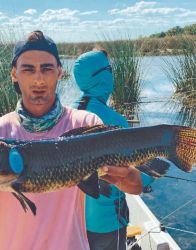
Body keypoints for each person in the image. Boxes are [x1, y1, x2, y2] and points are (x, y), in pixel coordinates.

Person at [0, 31, 143, 250]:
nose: (39, 78)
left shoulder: (85, 124)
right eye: (28, 69)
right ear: (14, 74)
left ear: (59, 72)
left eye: (47, 68)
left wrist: (123, 175)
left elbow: (135, 186)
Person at [72, 49, 154, 250]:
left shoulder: (67, 116)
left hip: (71, 222)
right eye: (109, 69)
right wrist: (151, 176)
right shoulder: (116, 122)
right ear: (103, 76)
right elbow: (133, 177)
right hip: (107, 224)